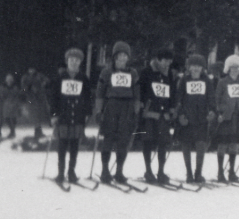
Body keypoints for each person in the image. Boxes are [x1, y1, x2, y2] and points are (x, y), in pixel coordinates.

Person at [93, 41, 140, 184]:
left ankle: (119, 171)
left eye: (125, 55)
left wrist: (136, 111)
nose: (122, 58)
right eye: (119, 55)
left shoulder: (132, 73)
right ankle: (105, 170)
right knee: (108, 138)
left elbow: (137, 93)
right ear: (115, 57)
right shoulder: (107, 72)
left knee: (123, 141)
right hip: (111, 107)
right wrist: (98, 111)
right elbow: (100, 93)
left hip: (126, 108)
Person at [50, 48, 92, 183]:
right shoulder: (60, 78)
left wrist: (87, 113)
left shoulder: (83, 78)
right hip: (63, 115)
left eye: (77, 61)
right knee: (62, 145)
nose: (74, 63)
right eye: (71, 60)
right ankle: (60, 173)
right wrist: (54, 114)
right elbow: (54, 98)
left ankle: (71, 171)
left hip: (78, 116)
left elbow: (87, 98)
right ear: (67, 61)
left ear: (80, 63)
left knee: (74, 145)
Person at [175, 54, 216, 184]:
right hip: (187, 118)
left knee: (201, 145)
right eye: (193, 66)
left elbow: (211, 98)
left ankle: (198, 173)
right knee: (186, 144)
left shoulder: (207, 81)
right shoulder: (184, 80)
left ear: (202, 68)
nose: (195, 69)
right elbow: (178, 99)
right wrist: (180, 115)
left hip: (201, 118)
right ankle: (189, 173)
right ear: (189, 67)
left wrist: (212, 111)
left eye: (198, 66)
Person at [138, 48, 176, 184]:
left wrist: (172, 109)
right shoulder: (147, 72)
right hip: (150, 113)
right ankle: (148, 170)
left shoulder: (169, 74)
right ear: (158, 60)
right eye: (165, 61)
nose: (167, 64)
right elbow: (140, 90)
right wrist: (141, 105)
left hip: (163, 114)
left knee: (163, 143)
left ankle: (160, 171)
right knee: (148, 141)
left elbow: (172, 92)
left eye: (170, 62)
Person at [214, 54, 239, 182]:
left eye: (237, 68)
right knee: (222, 143)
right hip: (226, 117)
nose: (234, 70)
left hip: (238, 117)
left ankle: (232, 171)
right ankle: (220, 172)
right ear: (228, 68)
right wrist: (219, 113)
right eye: (232, 67)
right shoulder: (223, 82)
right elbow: (216, 99)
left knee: (234, 144)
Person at [21, 67, 50, 140]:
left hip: (40, 98)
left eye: (33, 69)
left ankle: (39, 131)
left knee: (39, 115)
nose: (31, 70)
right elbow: (23, 89)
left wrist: (44, 84)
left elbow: (47, 81)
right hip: (31, 99)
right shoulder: (25, 77)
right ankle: (37, 131)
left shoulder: (39, 76)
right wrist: (29, 88)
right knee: (34, 115)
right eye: (30, 69)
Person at [1, 73, 21, 140]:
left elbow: (18, 94)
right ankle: (12, 131)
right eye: (8, 80)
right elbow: (2, 95)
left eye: (10, 80)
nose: (9, 81)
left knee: (13, 118)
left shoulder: (15, 87)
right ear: (6, 80)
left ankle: (12, 131)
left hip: (14, 104)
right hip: (6, 104)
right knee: (6, 118)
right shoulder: (3, 87)